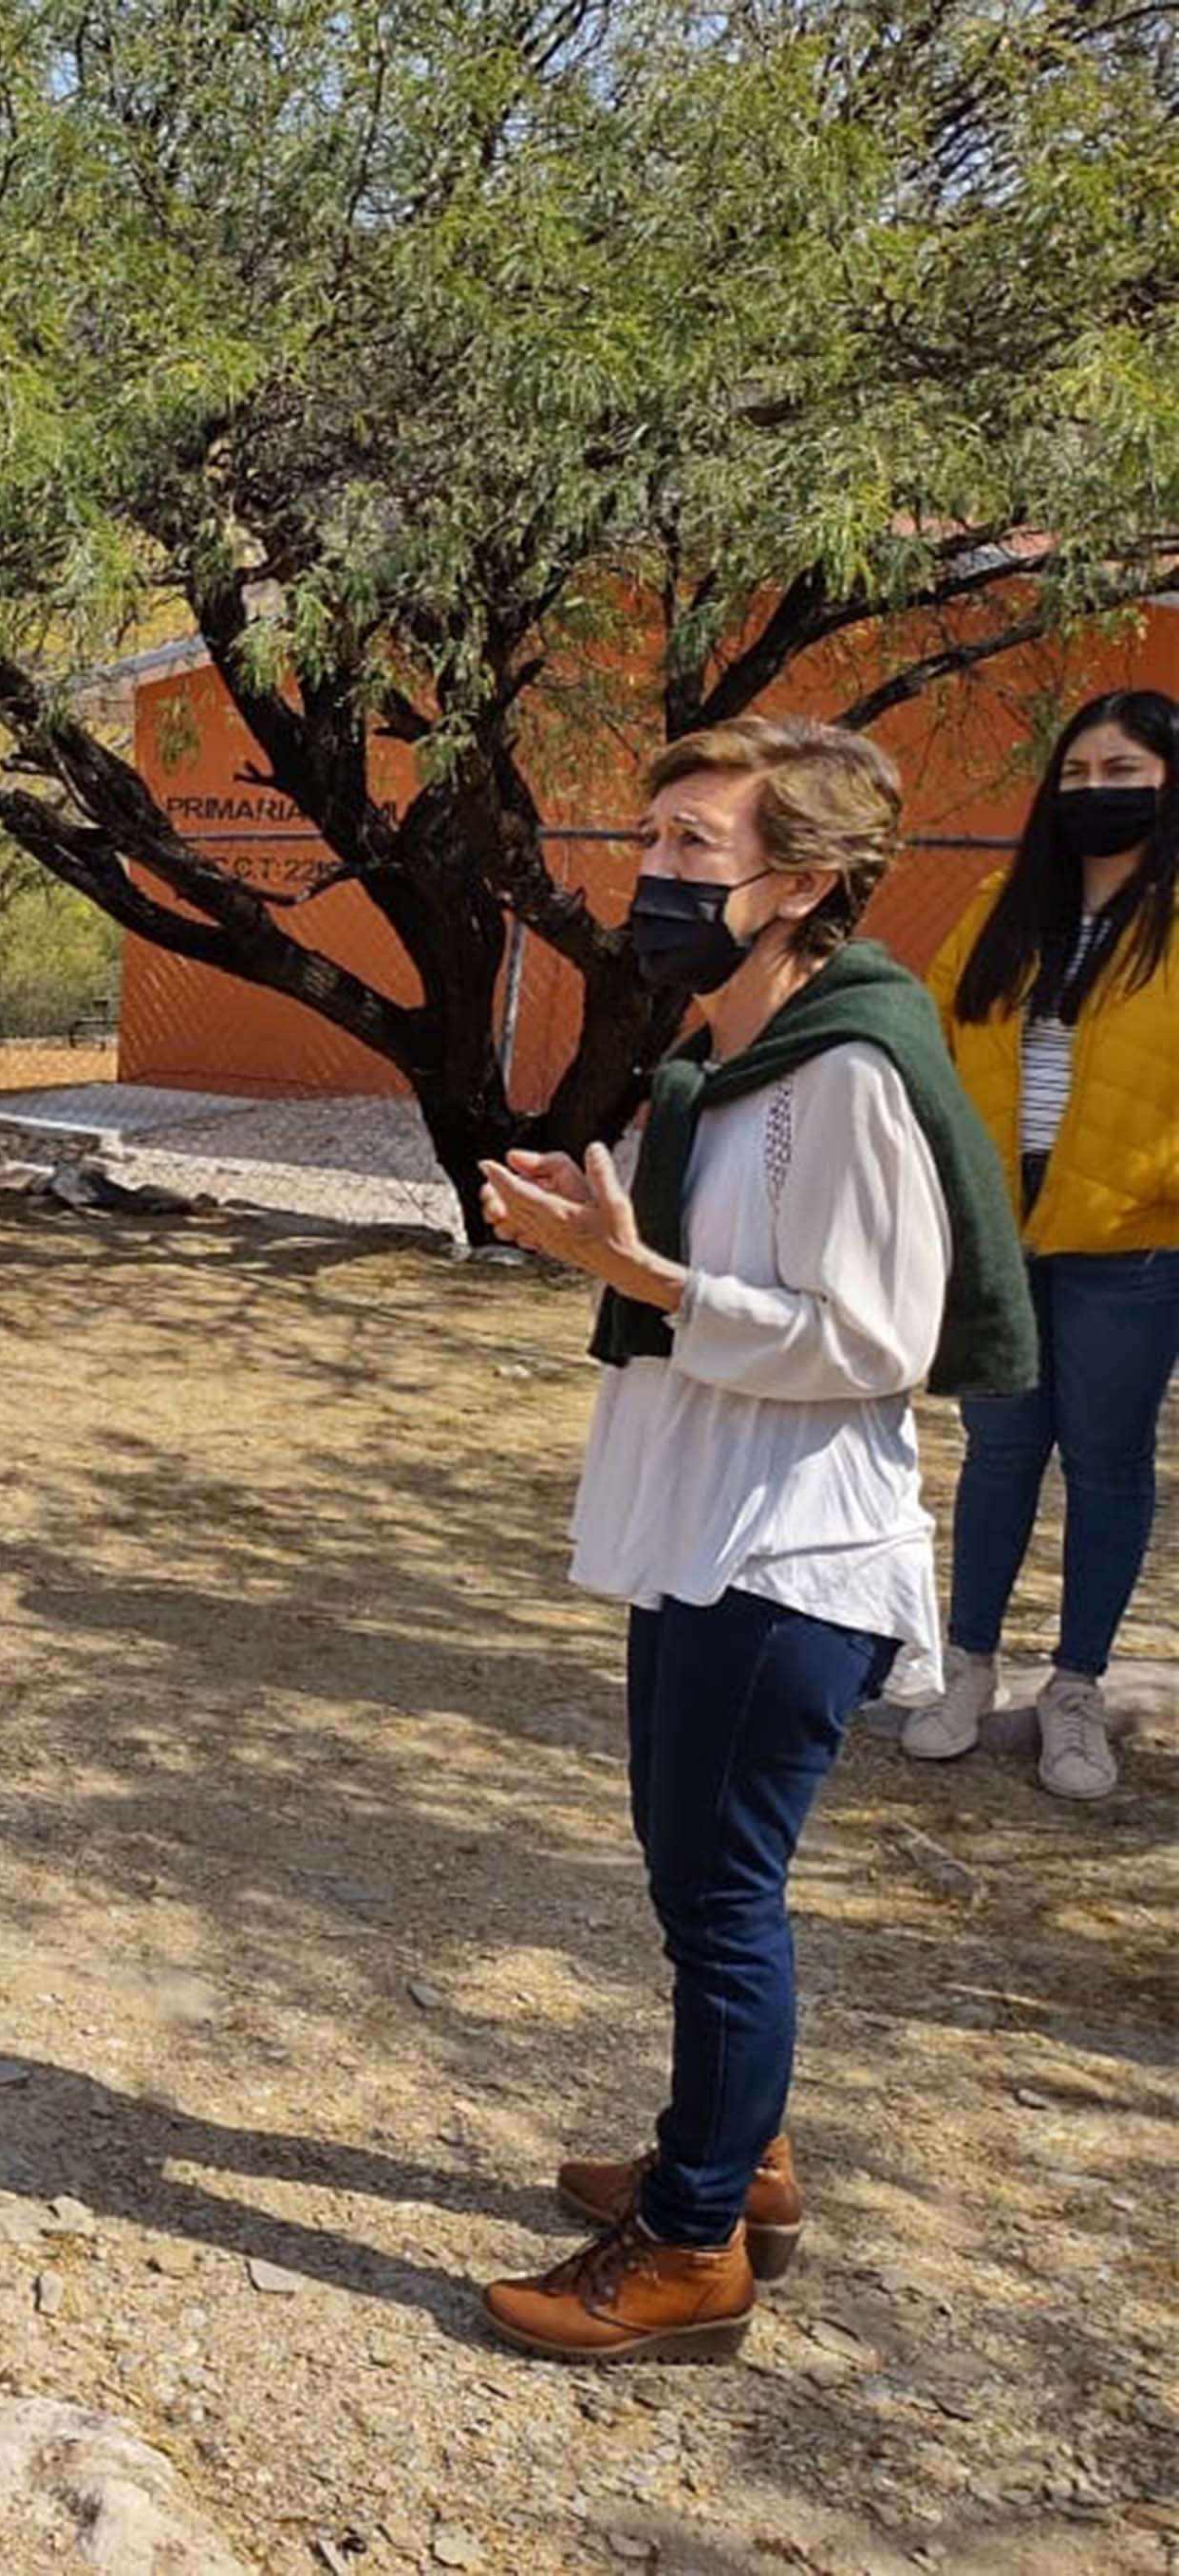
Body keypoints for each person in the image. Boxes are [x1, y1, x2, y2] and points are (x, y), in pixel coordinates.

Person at [475, 716, 1031, 2364]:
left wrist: (646, 1280)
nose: (652, 876)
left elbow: (876, 1334)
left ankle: (696, 2241)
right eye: (650, 841)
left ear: (802, 884)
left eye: (693, 852)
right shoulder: (752, 1056)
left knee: (721, 1894)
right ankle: (738, 2157)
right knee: (700, 1877)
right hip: (717, 1532)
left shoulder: (845, 1075)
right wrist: (625, 1257)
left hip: (787, 1554)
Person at [906, 688, 1179, 1802]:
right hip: (1003, 1229)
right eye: (1074, 774)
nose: (1095, 793)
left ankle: (1074, 1689)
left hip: (1133, 1242)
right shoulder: (999, 907)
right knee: (1000, 1449)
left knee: (1107, 1465)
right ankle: (967, 1665)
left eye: (1121, 772)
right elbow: (931, 1033)